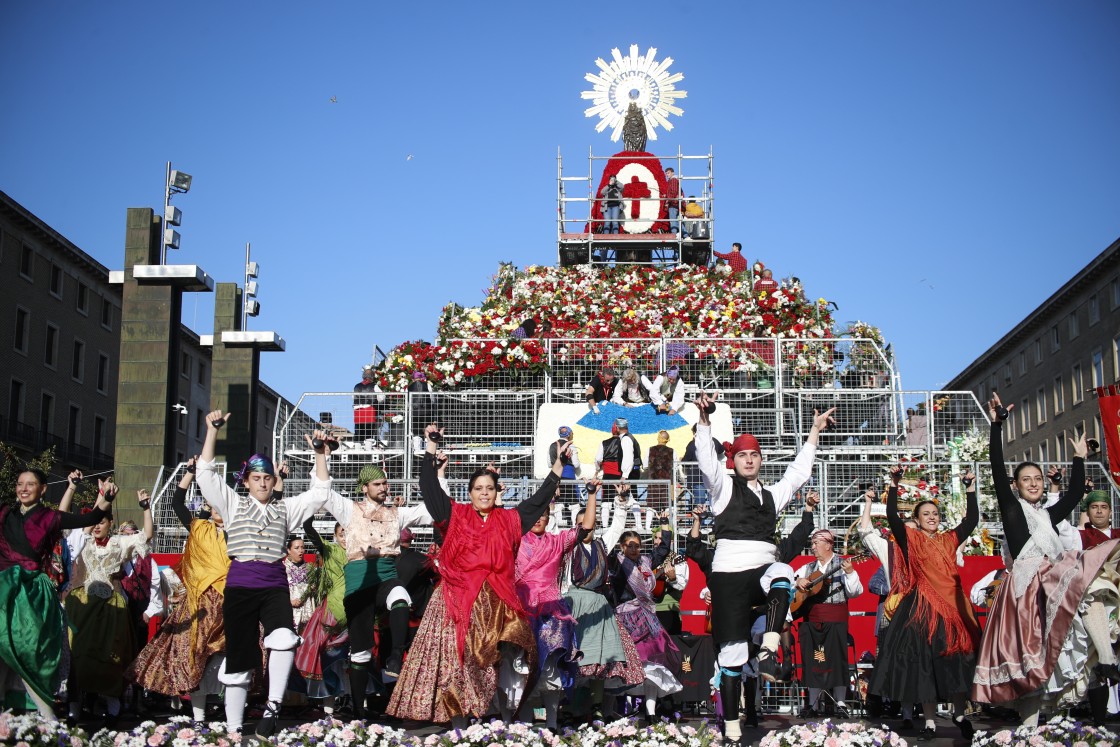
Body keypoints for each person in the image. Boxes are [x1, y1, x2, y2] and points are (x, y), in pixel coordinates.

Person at [386, 422, 568, 726]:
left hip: (495, 604)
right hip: (455, 602)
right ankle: (458, 726)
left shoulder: (510, 520)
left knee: (493, 665)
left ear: (497, 491)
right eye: (478, 488)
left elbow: (538, 502)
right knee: (453, 666)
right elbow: (429, 487)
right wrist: (430, 447)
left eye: (489, 488)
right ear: (469, 492)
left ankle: (494, 720)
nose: (484, 493)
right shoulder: (454, 514)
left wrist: (558, 466)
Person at [694, 391, 834, 747]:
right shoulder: (722, 489)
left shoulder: (773, 494)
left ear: (761, 459)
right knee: (732, 657)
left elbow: (799, 472)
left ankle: (771, 640)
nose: (749, 459)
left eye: (754, 454)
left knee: (784, 572)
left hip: (761, 570)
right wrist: (705, 420)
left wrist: (815, 430)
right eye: (742, 455)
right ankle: (731, 730)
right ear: (734, 460)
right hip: (727, 577)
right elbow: (706, 461)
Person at [971, 393, 1115, 727]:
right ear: (1016, 487)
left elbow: (1076, 493)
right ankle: (1028, 729)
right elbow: (995, 465)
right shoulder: (1011, 509)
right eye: (1027, 480)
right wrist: (996, 426)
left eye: (1038, 479)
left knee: (1088, 584)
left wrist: (1079, 458)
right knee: (1031, 660)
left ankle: (1107, 659)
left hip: (1052, 578)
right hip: (1026, 587)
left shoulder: (1049, 515)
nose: (1034, 483)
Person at [194, 410, 334, 739]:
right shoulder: (231, 504)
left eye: (267, 478)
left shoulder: (285, 508)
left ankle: (272, 707)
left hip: (273, 583)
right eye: (256, 478)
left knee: (284, 639)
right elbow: (205, 474)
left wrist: (318, 454)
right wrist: (212, 431)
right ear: (245, 481)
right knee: (240, 658)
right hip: (241, 584)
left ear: (274, 481)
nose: (262, 483)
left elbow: (321, 492)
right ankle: (233, 730)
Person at [868, 465, 980, 742]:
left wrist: (969, 489)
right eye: (925, 514)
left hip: (952, 610)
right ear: (917, 519)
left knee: (955, 661)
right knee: (925, 667)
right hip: (922, 609)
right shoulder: (911, 539)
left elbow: (972, 520)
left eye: (935, 514)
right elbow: (893, 517)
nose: (931, 517)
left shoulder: (949, 539)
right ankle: (929, 722)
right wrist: (893, 485)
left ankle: (959, 714)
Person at [319, 463, 433, 717]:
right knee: (360, 652)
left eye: (385, 483)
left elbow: (430, 510)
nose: (384, 488)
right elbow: (324, 491)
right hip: (359, 584)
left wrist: (438, 471)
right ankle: (359, 711)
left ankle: (395, 657)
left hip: (385, 577)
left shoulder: (396, 514)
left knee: (401, 597)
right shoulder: (349, 510)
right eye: (377, 484)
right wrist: (320, 456)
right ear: (364, 488)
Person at [0, 470, 112, 719]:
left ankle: (49, 720)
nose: (23, 489)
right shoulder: (4, 514)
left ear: (43, 489)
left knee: (28, 650)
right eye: (20, 484)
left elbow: (91, 518)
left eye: (31, 484)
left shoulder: (50, 517)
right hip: (3, 590)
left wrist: (105, 499)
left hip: (31, 594)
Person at [127, 457, 229, 724]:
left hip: (228, 603)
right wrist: (190, 473)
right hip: (199, 605)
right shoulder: (198, 528)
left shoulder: (236, 532)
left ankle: (231, 715)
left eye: (222, 505)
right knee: (192, 658)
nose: (218, 509)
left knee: (227, 659)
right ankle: (198, 717)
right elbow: (176, 503)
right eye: (213, 504)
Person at [510, 479, 597, 728]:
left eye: (543, 514)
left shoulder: (557, 541)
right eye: (534, 514)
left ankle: (552, 725)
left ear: (549, 518)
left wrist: (591, 494)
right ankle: (522, 727)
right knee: (521, 670)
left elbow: (586, 527)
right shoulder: (515, 540)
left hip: (552, 611)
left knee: (551, 668)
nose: (538, 518)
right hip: (521, 608)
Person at [65, 484, 154, 727]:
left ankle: (113, 709)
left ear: (110, 523)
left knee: (110, 657)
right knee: (78, 656)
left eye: (101, 522)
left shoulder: (119, 543)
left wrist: (146, 507)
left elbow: (146, 535)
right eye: (94, 522)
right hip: (82, 606)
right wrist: (97, 496)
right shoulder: (83, 541)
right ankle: (74, 709)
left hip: (111, 608)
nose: (96, 526)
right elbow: (65, 519)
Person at [562, 482, 645, 720]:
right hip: (575, 604)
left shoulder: (601, 543)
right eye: (581, 524)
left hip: (599, 606)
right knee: (577, 658)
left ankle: (597, 707)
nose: (585, 527)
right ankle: (574, 707)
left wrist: (621, 500)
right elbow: (564, 582)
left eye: (589, 523)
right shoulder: (567, 548)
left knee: (602, 658)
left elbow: (618, 524)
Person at [608, 512, 683, 723]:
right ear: (622, 546)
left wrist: (664, 523)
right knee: (625, 665)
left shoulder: (646, 561)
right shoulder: (616, 562)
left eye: (637, 545)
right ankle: (616, 712)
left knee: (653, 664)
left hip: (647, 618)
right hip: (625, 619)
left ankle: (650, 713)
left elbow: (663, 550)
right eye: (630, 545)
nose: (634, 549)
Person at [793, 529, 863, 718]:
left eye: (816, 543)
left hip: (836, 619)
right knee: (814, 658)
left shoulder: (842, 564)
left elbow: (855, 592)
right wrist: (798, 581)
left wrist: (850, 573)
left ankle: (840, 703)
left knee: (836, 659)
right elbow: (790, 582)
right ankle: (812, 704)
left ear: (829, 544)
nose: (813, 546)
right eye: (813, 542)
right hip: (813, 619)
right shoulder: (807, 567)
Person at [293, 518, 349, 713]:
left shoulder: (360, 552)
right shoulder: (330, 550)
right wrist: (310, 515)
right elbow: (311, 533)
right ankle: (329, 710)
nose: (345, 537)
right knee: (328, 661)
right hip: (332, 613)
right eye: (341, 533)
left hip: (355, 612)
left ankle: (356, 706)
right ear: (335, 535)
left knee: (351, 663)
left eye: (348, 533)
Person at [285, 535, 314, 633]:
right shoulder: (283, 568)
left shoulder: (310, 568)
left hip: (308, 612)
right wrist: (289, 602)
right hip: (289, 611)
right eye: (297, 548)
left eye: (302, 547)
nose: (301, 550)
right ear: (289, 550)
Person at [644, 430, 678, 513]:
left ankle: (648, 526)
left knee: (651, 506)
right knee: (668, 505)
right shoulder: (672, 451)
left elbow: (645, 466)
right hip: (666, 483)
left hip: (653, 482)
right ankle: (670, 524)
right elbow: (676, 468)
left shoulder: (650, 450)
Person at [353, 365, 381, 445]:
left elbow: (353, 397)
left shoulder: (356, 386)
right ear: (372, 377)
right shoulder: (374, 386)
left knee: (358, 430)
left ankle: (358, 445)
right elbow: (381, 397)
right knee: (369, 430)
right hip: (369, 409)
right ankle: (368, 446)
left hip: (358, 410)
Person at [663, 167, 682, 235]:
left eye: (668, 173)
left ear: (672, 173)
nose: (667, 175)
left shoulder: (673, 180)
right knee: (678, 221)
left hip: (673, 203)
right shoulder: (673, 180)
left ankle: (674, 234)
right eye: (666, 173)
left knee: (673, 219)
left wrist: (668, 199)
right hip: (676, 203)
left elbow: (674, 192)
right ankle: (685, 235)